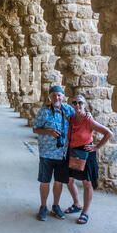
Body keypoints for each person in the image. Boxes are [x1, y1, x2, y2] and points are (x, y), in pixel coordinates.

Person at [65, 94, 112, 224]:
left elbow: (108, 133)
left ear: (84, 105)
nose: (77, 105)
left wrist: (96, 146)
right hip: (73, 152)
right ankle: (76, 204)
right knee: (69, 181)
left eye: (80, 102)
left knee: (87, 183)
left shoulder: (89, 120)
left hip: (86, 153)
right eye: (74, 103)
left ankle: (85, 211)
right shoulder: (72, 118)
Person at [33, 86, 76, 221]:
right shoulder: (44, 112)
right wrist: (49, 132)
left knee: (58, 181)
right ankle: (43, 206)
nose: (56, 98)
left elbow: (80, 119)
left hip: (62, 153)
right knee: (45, 181)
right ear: (49, 97)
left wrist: (88, 114)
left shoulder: (69, 110)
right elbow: (35, 129)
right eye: (53, 96)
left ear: (63, 96)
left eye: (59, 95)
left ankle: (56, 205)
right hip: (46, 152)